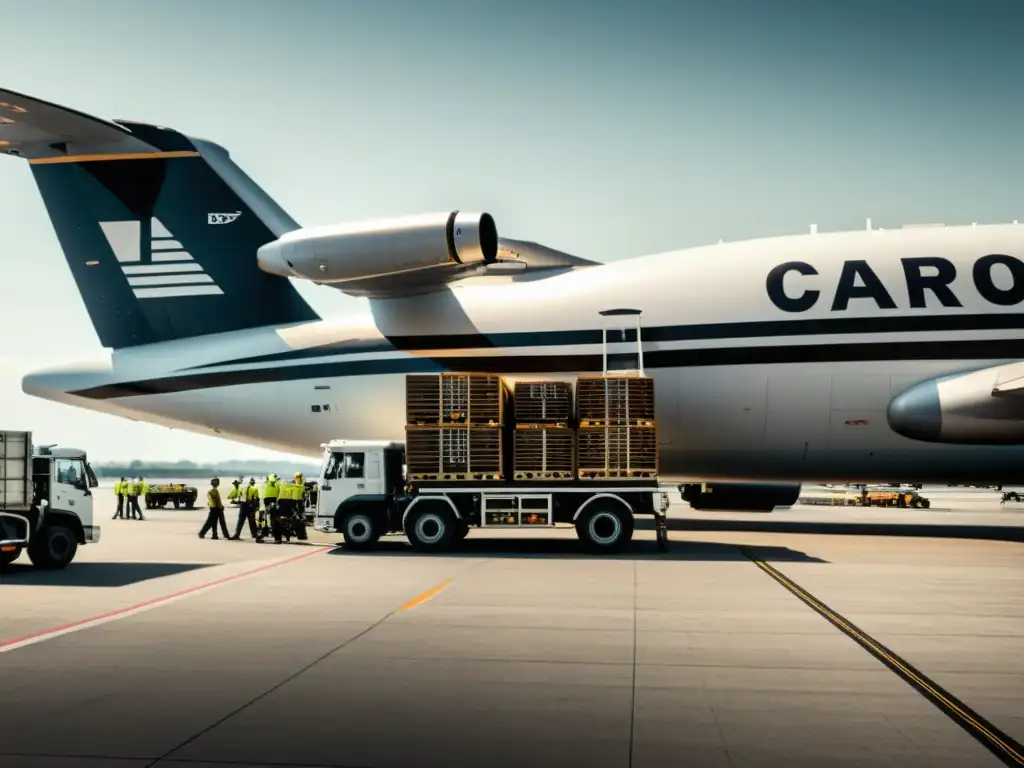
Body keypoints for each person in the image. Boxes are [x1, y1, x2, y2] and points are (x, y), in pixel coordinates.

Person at [260, 473, 282, 543]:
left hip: (265, 504)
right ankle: (277, 538)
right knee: (275, 520)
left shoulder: (265, 484)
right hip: (274, 503)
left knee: (264, 521)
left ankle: (261, 535)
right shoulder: (278, 484)